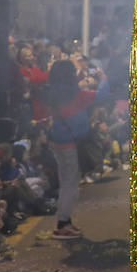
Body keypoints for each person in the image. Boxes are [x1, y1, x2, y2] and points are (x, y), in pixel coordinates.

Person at [41, 59, 95, 240]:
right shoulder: (70, 93)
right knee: (70, 185)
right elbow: (79, 122)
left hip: (59, 142)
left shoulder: (53, 91)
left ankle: (66, 222)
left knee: (66, 183)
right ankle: (62, 225)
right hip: (71, 143)